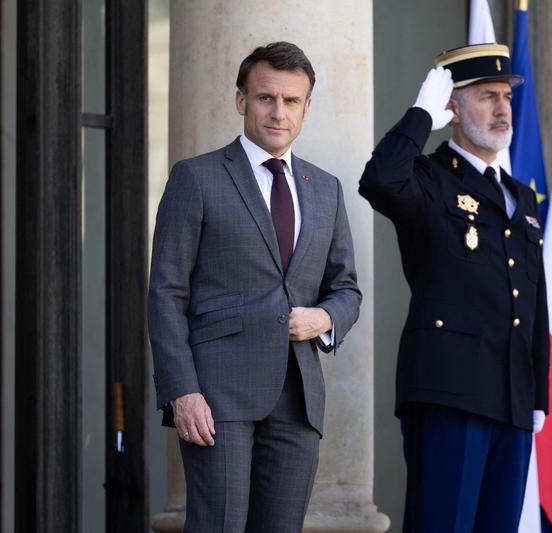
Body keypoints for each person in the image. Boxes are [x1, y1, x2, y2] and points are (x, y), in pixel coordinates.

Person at [148, 41, 361, 532]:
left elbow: (346, 288)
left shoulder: (324, 188)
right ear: (242, 100)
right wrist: (183, 391)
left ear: (307, 107)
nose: (278, 112)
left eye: (291, 101)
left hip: (298, 397)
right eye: (266, 98)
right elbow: (166, 293)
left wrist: (325, 318)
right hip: (217, 396)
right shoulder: (196, 178)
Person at [358, 43, 549, 532]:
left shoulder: (520, 196)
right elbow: (380, 180)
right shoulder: (430, 179)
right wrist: (421, 114)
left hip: (511, 396)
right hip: (449, 391)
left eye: (506, 96)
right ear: (453, 107)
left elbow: (534, 299)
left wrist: (538, 391)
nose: (502, 108)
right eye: (487, 96)